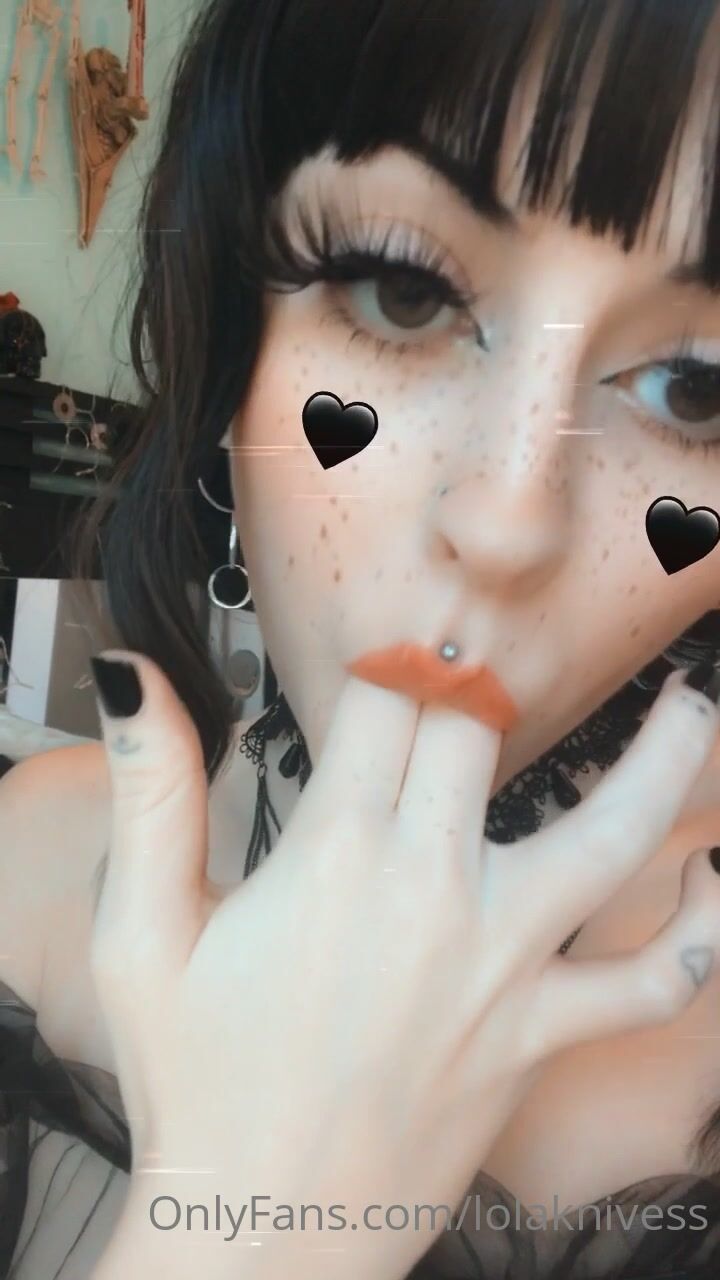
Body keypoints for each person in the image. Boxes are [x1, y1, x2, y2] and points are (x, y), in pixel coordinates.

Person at [3, 0, 720, 1275]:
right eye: (403, 291)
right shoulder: (29, 861)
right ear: (231, 349)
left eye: (696, 388)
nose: (505, 521)